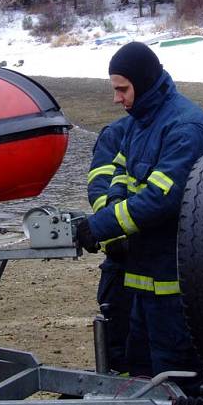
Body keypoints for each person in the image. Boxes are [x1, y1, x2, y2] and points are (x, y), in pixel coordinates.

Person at [76, 41, 203, 405]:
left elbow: (160, 198)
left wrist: (99, 226)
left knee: (176, 374)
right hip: (140, 276)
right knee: (141, 369)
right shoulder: (143, 123)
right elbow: (119, 178)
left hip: (175, 279)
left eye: (121, 89)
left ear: (141, 82)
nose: (117, 98)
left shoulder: (187, 127)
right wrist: (108, 223)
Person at [86, 115, 133, 374]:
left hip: (162, 253)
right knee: (118, 322)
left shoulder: (178, 127)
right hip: (123, 252)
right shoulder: (117, 133)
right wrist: (114, 234)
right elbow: (100, 186)